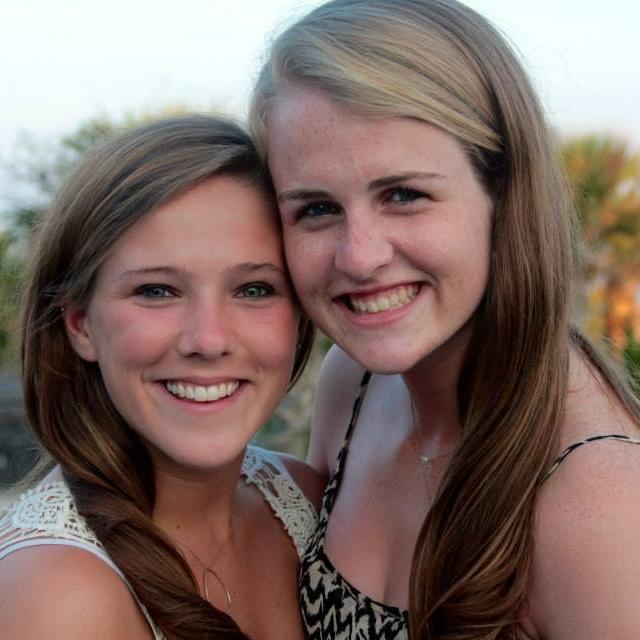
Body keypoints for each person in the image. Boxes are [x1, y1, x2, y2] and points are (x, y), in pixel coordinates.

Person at [249, 1, 640, 638]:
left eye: (404, 195)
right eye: (316, 208)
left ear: (503, 194)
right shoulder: (354, 384)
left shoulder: (604, 505)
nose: (359, 256)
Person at [0, 115, 322, 640]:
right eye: (156, 291)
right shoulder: (55, 598)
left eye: (254, 289)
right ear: (80, 324)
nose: (209, 339)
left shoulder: (305, 499)